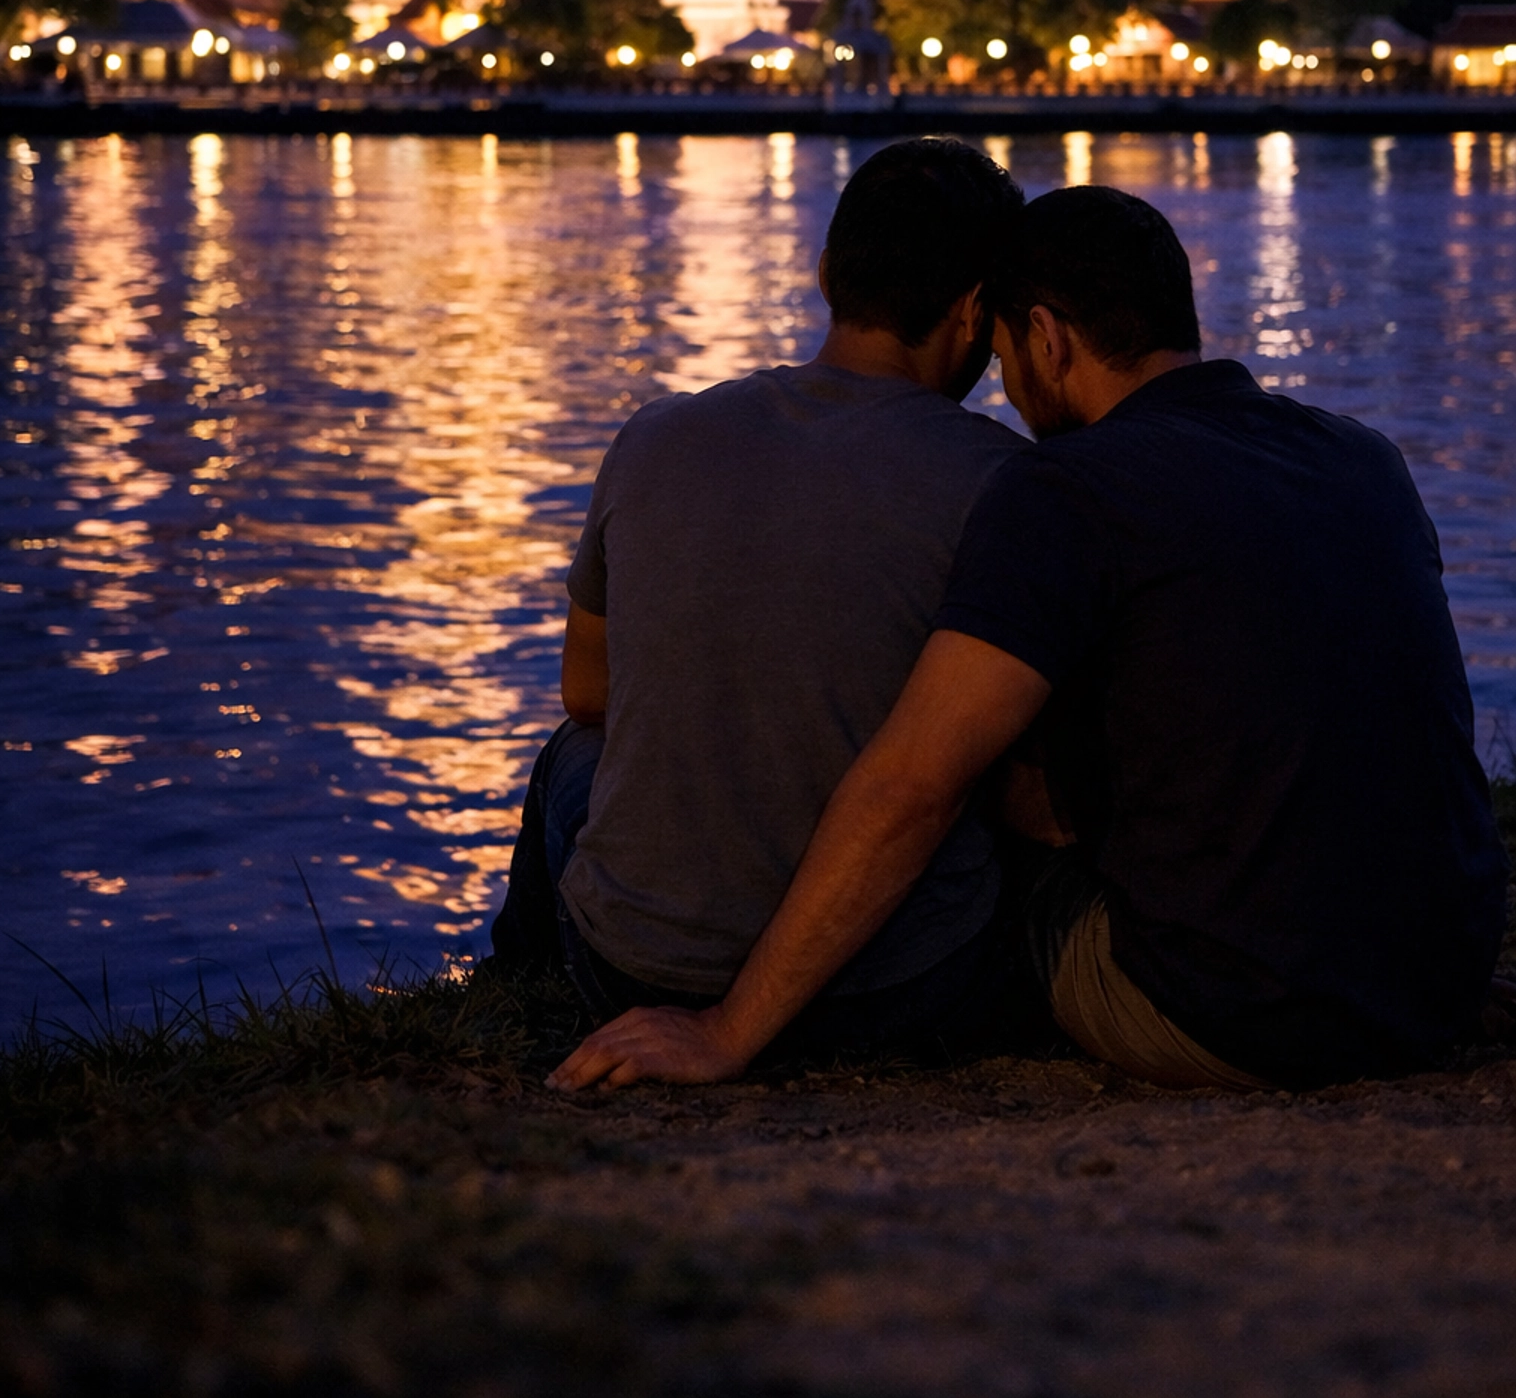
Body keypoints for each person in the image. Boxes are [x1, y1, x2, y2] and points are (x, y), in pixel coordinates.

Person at [550, 184, 1508, 1095]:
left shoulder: (1068, 489)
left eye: (1007, 361)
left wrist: (726, 1031)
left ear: (1047, 339)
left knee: (979, 795)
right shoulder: (1363, 457)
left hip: (1231, 1011)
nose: (1002, 389)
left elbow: (913, 787)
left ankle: (557, 978)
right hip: (1435, 986)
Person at [492, 136, 1031, 1061]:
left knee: (570, 760)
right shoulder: (1008, 485)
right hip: (888, 991)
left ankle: (509, 996)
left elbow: (588, 695)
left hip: (630, 969)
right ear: (978, 310)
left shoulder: (655, 437)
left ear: (827, 274)